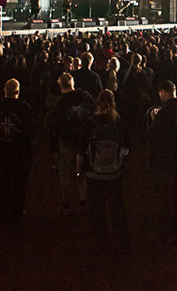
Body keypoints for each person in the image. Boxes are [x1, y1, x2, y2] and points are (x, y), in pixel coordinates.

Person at [77, 90, 131, 252]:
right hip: (114, 172)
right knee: (117, 207)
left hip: (94, 172)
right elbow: (127, 148)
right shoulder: (119, 122)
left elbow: (81, 151)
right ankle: (123, 242)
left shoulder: (90, 123)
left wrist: (79, 172)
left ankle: (102, 243)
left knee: (96, 208)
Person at [146, 80, 177, 243]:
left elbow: (153, 136)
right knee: (176, 196)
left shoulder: (164, 114)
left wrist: (153, 119)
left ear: (163, 93)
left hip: (164, 160)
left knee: (164, 198)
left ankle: (165, 232)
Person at [0, 79, 35, 222]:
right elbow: (30, 131)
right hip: (19, 151)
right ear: (18, 91)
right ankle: (17, 211)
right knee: (19, 183)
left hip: (1, 149)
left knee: (2, 181)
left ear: (4, 90)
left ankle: (2, 210)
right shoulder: (24, 108)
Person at [52, 71, 95, 214]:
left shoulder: (60, 104)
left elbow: (55, 127)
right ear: (73, 83)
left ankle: (66, 205)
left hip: (67, 142)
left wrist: (54, 147)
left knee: (65, 174)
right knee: (83, 171)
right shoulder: (85, 97)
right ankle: (83, 203)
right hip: (84, 140)